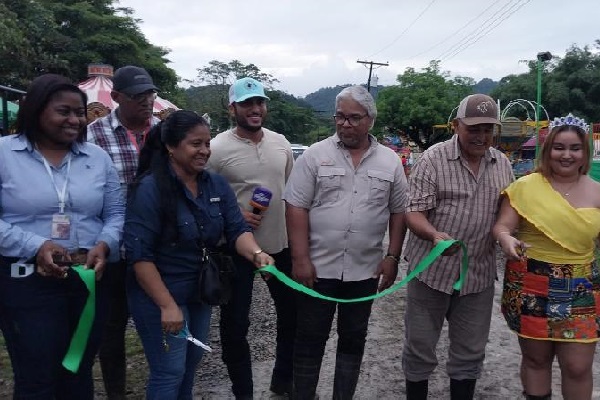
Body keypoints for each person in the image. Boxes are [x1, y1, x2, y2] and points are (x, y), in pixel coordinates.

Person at [124, 110, 274, 400]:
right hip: (160, 293)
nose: (205, 151)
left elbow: (237, 229)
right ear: (171, 146)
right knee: (169, 370)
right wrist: (167, 306)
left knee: (191, 362)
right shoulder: (150, 189)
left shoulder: (215, 184)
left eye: (207, 144)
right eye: (196, 144)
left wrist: (257, 254)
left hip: (199, 291)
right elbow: (139, 256)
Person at [0, 74, 124, 398]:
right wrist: (36, 245)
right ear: (37, 110)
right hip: (27, 281)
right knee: (37, 376)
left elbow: (115, 213)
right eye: (63, 111)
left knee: (78, 371)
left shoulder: (96, 158)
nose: (75, 120)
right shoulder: (4, 154)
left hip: (85, 281)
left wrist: (105, 243)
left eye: (79, 112)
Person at [283, 85, 408, 399]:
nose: (345, 124)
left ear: (370, 121)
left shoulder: (390, 162)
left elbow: (398, 211)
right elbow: (296, 205)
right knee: (309, 339)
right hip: (317, 269)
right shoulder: (315, 155)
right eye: (340, 117)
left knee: (353, 339)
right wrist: (300, 258)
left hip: (364, 270)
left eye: (354, 118)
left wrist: (392, 257)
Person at [402, 94, 514, 400]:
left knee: (470, 352)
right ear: (456, 126)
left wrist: (506, 231)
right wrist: (434, 235)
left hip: (477, 274)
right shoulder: (433, 159)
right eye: (473, 128)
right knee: (420, 347)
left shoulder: (502, 163)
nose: (481, 136)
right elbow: (413, 212)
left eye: (488, 129)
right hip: (431, 272)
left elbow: (509, 208)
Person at [492, 114, 600, 400]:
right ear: (547, 149)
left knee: (578, 366)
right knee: (536, 360)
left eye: (574, 148)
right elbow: (502, 226)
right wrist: (505, 239)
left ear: (584, 152)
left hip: (582, 285)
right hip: (531, 281)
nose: (566, 155)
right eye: (559, 147)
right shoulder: (526, 187)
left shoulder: (597, 191)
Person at [206, 77, 297, 398]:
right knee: (235, 327)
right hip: (235, 253)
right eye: (247, 104)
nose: (255, 109)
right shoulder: (215, 149)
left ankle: (282, 380)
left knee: (292, 317)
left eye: (259, 102)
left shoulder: (282, 143)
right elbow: (202, 198)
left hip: (279, 247)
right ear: (232, 109)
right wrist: (228, 214)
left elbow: (291, 193)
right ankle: (243, 391)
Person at [87, 65, 160, 399]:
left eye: (150, 95)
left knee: (162, 319)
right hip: (113, 249)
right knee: (111, 328)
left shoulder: (163, 132)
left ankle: (165, 385)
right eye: (137, 96)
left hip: (155, 248)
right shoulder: (94, 136)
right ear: (116, 98)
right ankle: (116, 392)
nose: (147, 102)